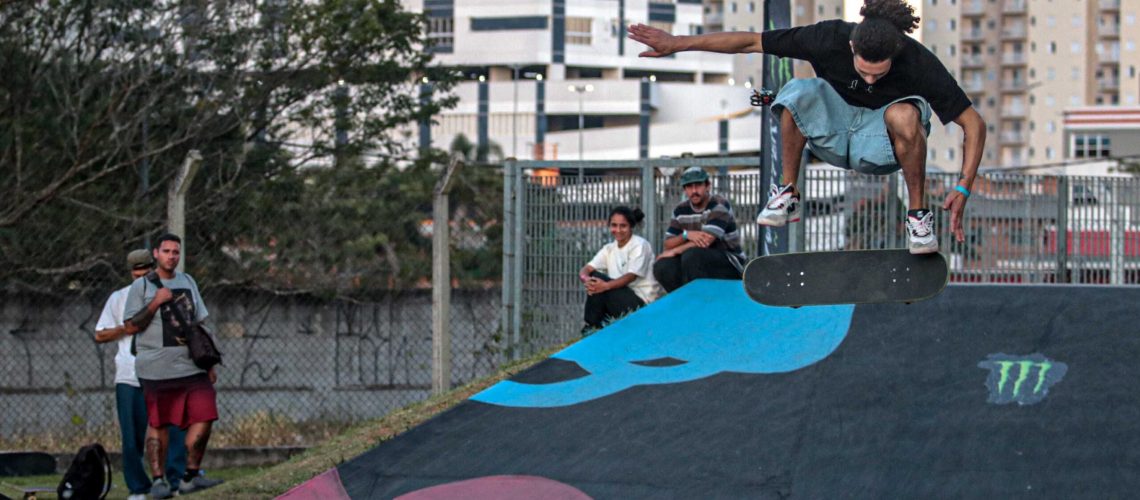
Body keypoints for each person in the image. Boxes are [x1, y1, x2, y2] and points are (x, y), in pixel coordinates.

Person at [628, 0, 985, 254]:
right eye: (863, 71)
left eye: (881, 72)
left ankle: (917, 218)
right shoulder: (827, 38)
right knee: (796, 91)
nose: (871, 80)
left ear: (896, 52)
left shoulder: (918, 60)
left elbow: (973, 123)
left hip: (881, 144)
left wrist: (965, 186)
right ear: (851, 46)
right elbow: (752, 41)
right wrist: (677, 44)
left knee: (906, 114)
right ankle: (788, 194)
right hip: (835, 128)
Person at [122, 234, 223, 498]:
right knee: (159, 423)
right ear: (156, 253)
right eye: (166, 251)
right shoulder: (141, 287)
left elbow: (198, 322)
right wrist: (156, 302)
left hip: (191, 367)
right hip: (155, 368)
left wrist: (208, 362)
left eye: (176, 252)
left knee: (205, 415)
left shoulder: (188, 281)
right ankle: (159, 481)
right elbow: (132, 325)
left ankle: (190, 476)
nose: (171, 256)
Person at [94, 250, 188, 500]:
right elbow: (100, 334)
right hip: (130, 374)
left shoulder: (170, 295)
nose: (142, 275)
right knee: (132, 435)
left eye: (146, 270)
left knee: (174, 429)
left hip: (165, 374)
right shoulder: (119, 298)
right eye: (137, 271)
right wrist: (126, 328)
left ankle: (175, 480)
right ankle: (138, 487)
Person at [652, 167, 746, 292]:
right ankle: (684, 300)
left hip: (730, 263)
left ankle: (697, 300)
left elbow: (706, 241)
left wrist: (675, 251)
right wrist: (686, 235)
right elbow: (668, 243)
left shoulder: (719, 204)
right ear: (685, 189)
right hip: (695, 264)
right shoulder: (680, 210)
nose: (694, 191)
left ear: (708, 186)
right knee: (662, 265)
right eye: (689, 187)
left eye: (698, 185)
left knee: (692, 255)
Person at [579, 206, 663, 331]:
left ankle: (591, 327)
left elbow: (631, 276)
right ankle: (593, 326)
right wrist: (586, 279)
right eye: (614, 225)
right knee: (595, 278)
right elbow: (587, 268)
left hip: (643, 305)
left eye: (623, 226)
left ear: (631, 227)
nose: (618, 230)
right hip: (621, 300)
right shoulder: (609, 249)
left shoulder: (640, 245)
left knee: (599, 280)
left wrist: (605, 286)